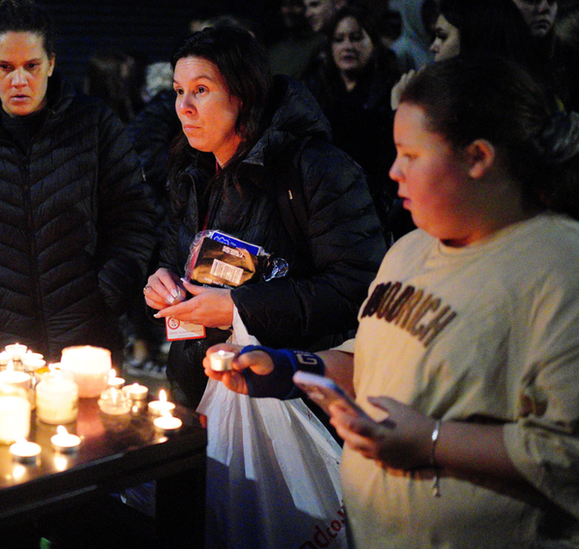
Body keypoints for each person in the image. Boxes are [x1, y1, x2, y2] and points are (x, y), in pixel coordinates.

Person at [206, 55, 579, 546]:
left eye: (411, 154)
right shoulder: (411, 249)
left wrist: (430, 442)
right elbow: (374, 362)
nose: (394, 171)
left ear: (478, 157)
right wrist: (289, 368)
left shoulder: (558, 267)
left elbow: (566, 453)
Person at [145, 26, 385, 409]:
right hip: (200, 394)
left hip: (287, 399)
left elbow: (356, 286)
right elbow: (175, 260)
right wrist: (163, 284)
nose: (184, 106)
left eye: (201, 90)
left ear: (242, 95)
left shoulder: (314, 168)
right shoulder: (192, 170)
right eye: (178, 91)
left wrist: (240, 307)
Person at [0, 0, 155, 362]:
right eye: (5, 67)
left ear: (51, 63)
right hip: (0, 349)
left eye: (31, 66)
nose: (19, 80)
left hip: (86, 343)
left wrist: (107, 294)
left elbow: (133, 219)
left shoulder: (94, 125)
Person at [304, 4, 411, 241]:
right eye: (339, 39)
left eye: (356, 38)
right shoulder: (317, 88)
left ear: (373, 42)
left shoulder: (391, 90)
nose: (347, 46)